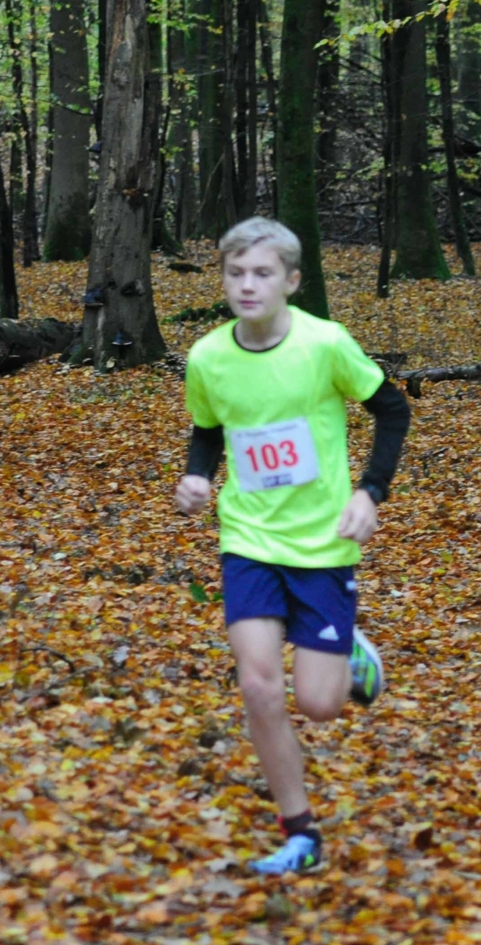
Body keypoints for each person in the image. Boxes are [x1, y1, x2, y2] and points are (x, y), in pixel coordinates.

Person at [176, 217, 412, 874]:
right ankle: (300, 832)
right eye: (235, 273)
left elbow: (392, 410)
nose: (247, 286)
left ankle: (350, 653)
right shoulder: (207, 357)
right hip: (248, 538)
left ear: (292, 281)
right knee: (258, 685)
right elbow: (208, 429)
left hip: (322, 545)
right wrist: (198, 477)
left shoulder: (324, 344)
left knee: (319, 704)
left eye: (262, 273)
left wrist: (370, 492)